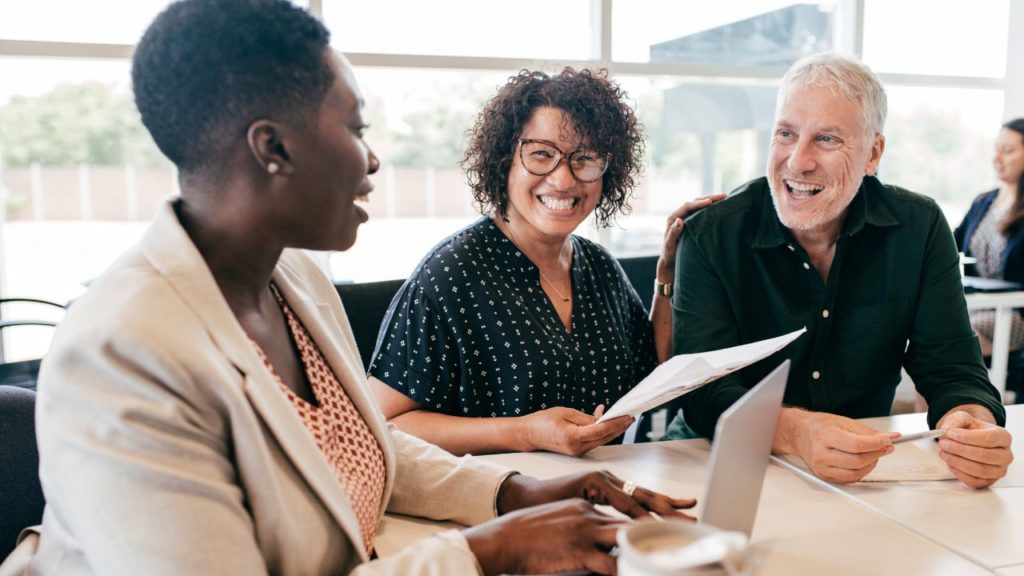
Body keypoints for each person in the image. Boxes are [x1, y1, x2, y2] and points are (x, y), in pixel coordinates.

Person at [0, 2, 698, 575]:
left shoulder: (292, 276)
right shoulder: (122, 351)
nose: (371, 158)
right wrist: (488, 551)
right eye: (354, 127)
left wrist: (519, 491)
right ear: (273, 148)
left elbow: (367, 445)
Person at [668, 52, 1014, 488]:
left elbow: (953, 370)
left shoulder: (919, 227)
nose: (797, 161)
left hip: (861, 470)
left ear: (873, 153)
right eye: (785, 134)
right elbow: (704, 391)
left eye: (827, 139)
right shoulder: (711, 235)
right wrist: (797, 432)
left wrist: (971, 424)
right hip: (716, 458)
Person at [368, 67, 720, 456]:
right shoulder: (450, 275)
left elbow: (655, 369)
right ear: (505, 161)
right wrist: (524, 433)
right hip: (494, 502)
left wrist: (667, 274)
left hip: (600, 492)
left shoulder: (599, 267)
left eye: (584, 159)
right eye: (541, 154)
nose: (564, 180)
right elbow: (385, 424)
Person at [954, 118, 1024, 358]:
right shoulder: (984, 202)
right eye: (997, 149)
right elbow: (948, 245)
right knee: (927, 333)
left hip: (1015, 313)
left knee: (953, 342)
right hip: (978, 305)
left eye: (1008, 151)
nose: (997, 158)